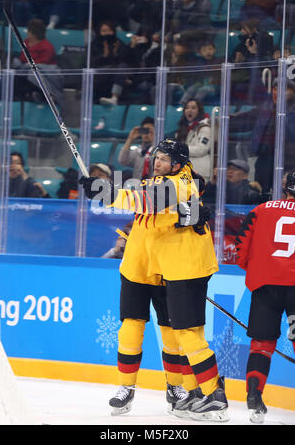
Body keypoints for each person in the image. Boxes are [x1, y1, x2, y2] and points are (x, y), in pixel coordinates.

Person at [80, 138, 229, 422]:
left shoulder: (180, 184)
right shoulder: (158, 182)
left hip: (171, 268)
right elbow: (141, 200)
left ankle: (187, 391)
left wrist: (104, 191)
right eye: (156, 156)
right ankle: (127, 387)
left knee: (176, 335)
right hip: (139, 265)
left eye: (163, 158)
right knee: (130, 330)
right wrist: (108, 191)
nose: (156, 161)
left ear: (178, 163)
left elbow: (147, 201)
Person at [234, 169, 295, 423]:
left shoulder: (260, 209)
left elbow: (240, 250)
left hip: (265, 286)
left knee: (261, 345)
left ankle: (254, 396)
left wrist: (260, 270)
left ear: (286, 186)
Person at [229, 79, 295, 195]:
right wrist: (228, 120)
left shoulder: (291, 109)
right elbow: (249, 118)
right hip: (265, 156)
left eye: (284, 89)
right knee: (262, 192)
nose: (277, 92)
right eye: (275, 89)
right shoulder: (267, 105)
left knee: (285, 192)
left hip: (288, 160)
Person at [175, 99, 212, 182]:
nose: (189, 110)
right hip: (183, 172)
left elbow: (202, 149)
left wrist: (180, 148)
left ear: (199, 111)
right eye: (187, 108)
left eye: (193, 108)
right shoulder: (182, 129)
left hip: (199, 172)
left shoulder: (205, 128)